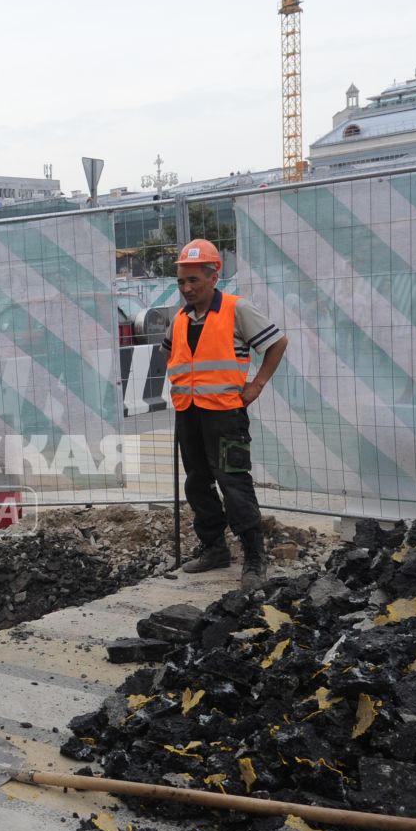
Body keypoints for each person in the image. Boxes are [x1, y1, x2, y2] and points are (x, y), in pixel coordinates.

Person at [167, 238, 287, 592]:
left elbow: (277, 342)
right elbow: (172, 354)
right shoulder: (180, 318)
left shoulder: (236, 310)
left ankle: (254, 557)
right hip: (188, 413)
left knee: (234, 483)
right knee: (197, 482)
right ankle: (215, 549)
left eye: (194, 280)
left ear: (213, 276)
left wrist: (257, 385)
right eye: (181, 281)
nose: (187, 288)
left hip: (225, 414)